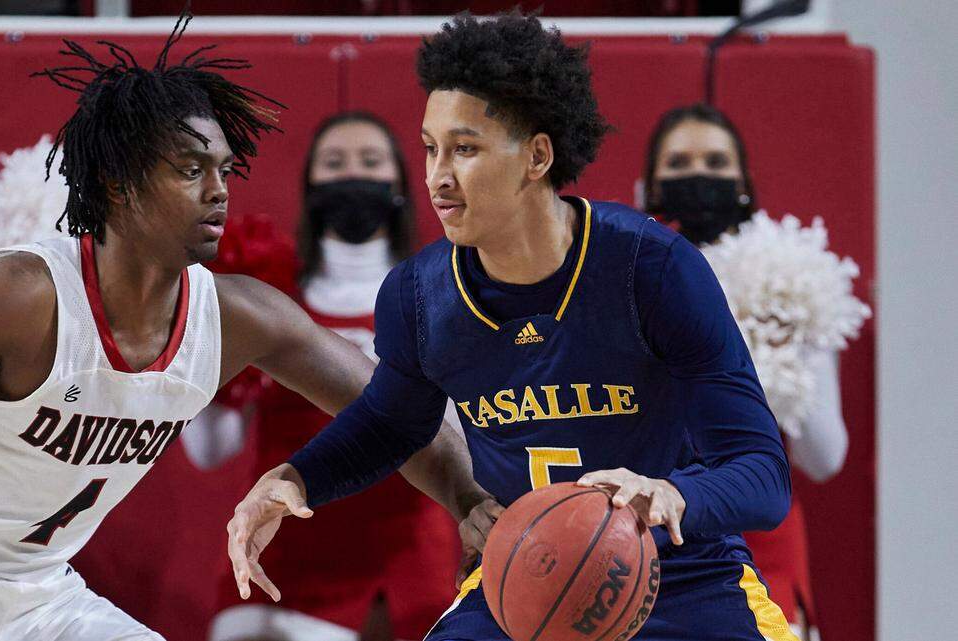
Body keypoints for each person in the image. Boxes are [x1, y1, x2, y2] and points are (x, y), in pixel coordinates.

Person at [0, 14, 483, 641]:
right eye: (191, 170)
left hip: (37, 590)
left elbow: (398, 412)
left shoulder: (238, 315)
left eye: (224, 169)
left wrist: (471, 500)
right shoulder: (22, 293)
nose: (219, 190)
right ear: (117, 184)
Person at [229, 12, 800, 641]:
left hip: (686, 576)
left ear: (537, 156)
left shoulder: (652, 268)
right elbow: (392, 424)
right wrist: (295, 477)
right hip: (524, 577)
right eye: (430, 147)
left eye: (465, 149)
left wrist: (670, 493)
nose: (437, 176)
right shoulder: (420, 295)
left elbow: (762, 472)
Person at [209, 112, 459, 641]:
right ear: (310, 186)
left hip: (418, 562)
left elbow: (468, 438)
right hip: (292, 563)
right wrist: (215, 362)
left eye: (370, 163)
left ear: (398, 183)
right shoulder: (268, 300)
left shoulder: (446, 292)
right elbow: (210, 450)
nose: (353, 176)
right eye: (335, 164)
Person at [642, 103, 852, 641]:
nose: (699, 175)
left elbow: (825, 458)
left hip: (763, 532)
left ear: (743, 182)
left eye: (716, 162)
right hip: (654, 534)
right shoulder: (625, 274)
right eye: (680, 162)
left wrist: (783, 366)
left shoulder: (793, 281)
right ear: (650, 185)